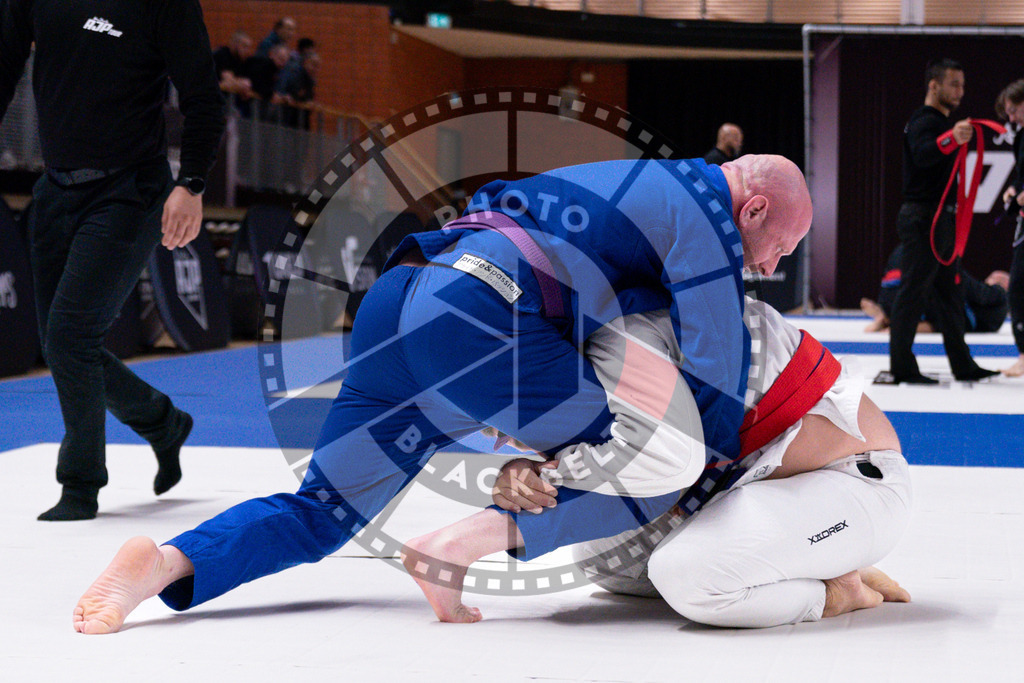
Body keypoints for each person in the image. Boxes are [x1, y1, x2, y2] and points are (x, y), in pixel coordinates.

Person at [72, 155, 812, 634]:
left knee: (323, 514)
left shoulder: (622, 179)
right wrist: (720, 484)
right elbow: (716, 379)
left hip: (404, 302)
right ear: (749, 209)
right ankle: (463, 543)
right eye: (781, 244)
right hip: (486, 323)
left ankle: (166, 563)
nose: (775, 264)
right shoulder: (706, 216)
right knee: (664, 460)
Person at [488, 298, 911, 628]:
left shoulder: (630, 337)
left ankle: (838, 591)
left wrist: (548, 473)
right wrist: (525, 470)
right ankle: (803, 557)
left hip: (855, 480)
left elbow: (662, 459)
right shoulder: (596, 343)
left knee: (688, 579)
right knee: (603, 560)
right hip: (765, 487)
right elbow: (609, 454)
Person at [0, 0, 225, 520]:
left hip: (131, 189)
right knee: (65, 345)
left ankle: (80, 485)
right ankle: (163, 423)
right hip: (54, 189)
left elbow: (203, 99)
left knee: (70, 338)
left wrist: (190, 184)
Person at [887, 59, 998, 384]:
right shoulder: (925, 121)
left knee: (951, 295)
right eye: (954, 84)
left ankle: (963, 365)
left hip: (936, 221)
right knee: (912, 293)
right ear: (933, 86)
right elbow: (923, 154)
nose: (960, 92)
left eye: (962, 85)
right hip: (925, 220)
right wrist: (951, 138)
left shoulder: (935, 122)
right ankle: (903, 367)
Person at [861, 244, 1009, 334]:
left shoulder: (998, 296)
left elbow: (974, 290)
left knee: (938, 318)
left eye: (990, 279)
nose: (986, 280)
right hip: (912, 299)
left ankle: (890, 318)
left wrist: (953, 274)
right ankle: (891, 320)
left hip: (900, 296)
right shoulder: (992, 311)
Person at [995, 79, 1024, 377]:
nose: (1011, 118)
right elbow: (1020, 177)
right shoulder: (1020, 138)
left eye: (1015, 110)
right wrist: (1013, 191)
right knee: (1018, 287)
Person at [275, 51, 320, 129]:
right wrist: (306, 101)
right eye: (313, 65)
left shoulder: (310, 80)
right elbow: (294, 94)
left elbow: (308, 97)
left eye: (317, 66)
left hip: (301, 120)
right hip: (287, 118)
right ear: (305, 62)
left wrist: (310, 103)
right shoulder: (295, 74)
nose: (315, 69)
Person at [212, 30, 256, 102]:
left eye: (248, 47)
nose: (247, 51)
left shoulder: (239, 60)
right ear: (234, 44)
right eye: (244, 46)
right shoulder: (222, 54)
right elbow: (229, 82)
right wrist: (242, 85)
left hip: (223, 99)